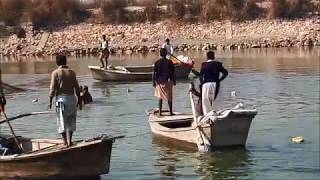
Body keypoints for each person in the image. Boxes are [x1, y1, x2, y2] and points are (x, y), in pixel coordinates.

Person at [49, 55, 82, 146]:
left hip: (61, 99)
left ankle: (64, 142)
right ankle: (70, 141)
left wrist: (50, 100)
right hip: (72, 99)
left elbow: (52, 88)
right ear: (66, 62)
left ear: (57, 62)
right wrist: (79, 100)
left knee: (61, 120)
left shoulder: (56, 73)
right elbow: (77, 88)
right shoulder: (72, 72)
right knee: (71, 120)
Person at [153, 48, 176, 116]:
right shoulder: (170, 62)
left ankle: (160, 112)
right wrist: (174, 80)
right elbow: (172, 73)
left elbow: (154, 73)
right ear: (166, 54)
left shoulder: (157, 62)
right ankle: (170, 112)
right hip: (168, 81)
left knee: (160, 97)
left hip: (159, 82)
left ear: (160, 54)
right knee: (169, 97)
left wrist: (153, 82)